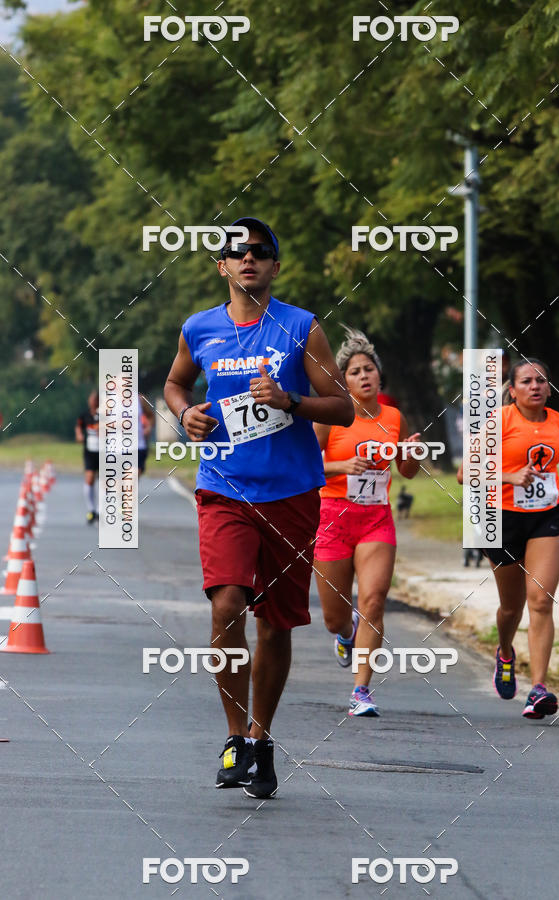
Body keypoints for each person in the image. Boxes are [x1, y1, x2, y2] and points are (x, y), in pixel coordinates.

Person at [164, 217, 353, 798]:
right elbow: (175, 383)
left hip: (291, 492)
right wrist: (184, 413)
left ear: (275, 266)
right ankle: (232, 738)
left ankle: (260, 735)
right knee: (226, 605)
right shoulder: (200, 328)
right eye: (236, 253)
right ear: (220, 266)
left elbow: (343, 409)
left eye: (260, 252)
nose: (248, 259)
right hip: (224, 486)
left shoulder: (302, 328)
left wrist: (291, 399)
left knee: (274, 623)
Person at [458, 359, 559, 718]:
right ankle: (505, 651)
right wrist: (508, 476)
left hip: (548, 516)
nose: (535, 386)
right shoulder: (498, 420)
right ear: (513, 388)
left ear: (549, 388)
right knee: (511, 607)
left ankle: (538, 689)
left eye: (541, 380)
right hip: (501, 519)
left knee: (540, 600)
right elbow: (463, 473)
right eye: (526, 381)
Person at [313, 328, 420, 716]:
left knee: (373, 601)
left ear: (378, 375)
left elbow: (407, 471)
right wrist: (341, 464)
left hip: (376, 519)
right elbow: (304, 465)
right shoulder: (332, 417)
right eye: (355, 371)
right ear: (344, 380)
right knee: (335, 616)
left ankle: (361, 692)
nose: (364, 376)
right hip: (332, 518)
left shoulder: (394, 418)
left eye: (369, 369)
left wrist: (412, 452)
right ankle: (345, 635)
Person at [75, 390, 100, 523]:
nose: (93, 403)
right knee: (89, 479)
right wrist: (79, 434)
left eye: (95, 400)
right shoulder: (84, 415)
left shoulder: (106, 414)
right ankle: (91, 510)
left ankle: (102, 510)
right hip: (90, 452)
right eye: (91, 400)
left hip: (105, 452)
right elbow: (78, 427)